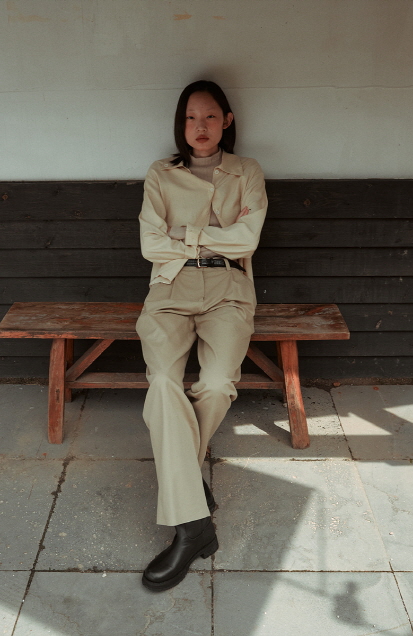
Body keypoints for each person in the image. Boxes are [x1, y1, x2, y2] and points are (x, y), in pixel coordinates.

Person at [136, 80, 268, 592]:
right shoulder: (161, 173)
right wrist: (215, 237)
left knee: (215, 384)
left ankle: (186, 500)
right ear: (181, 123)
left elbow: (247, 239)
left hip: (229, 290)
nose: (200, 127)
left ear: (227, 121)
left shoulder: (247, 172)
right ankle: (193, 526)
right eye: (191, 117)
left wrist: (185, 234)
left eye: (210, 116)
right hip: (170, 287)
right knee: (163, 384)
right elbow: (151, 245)